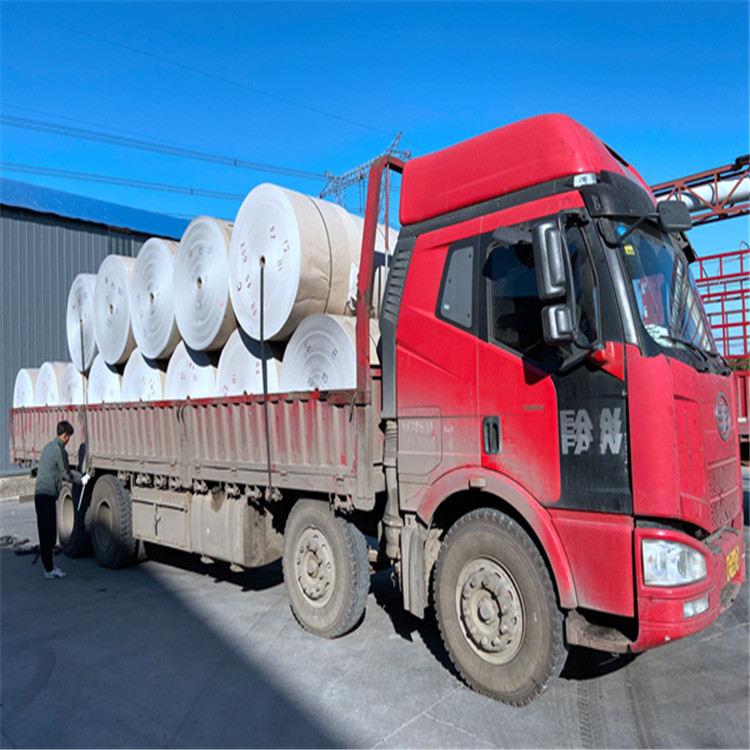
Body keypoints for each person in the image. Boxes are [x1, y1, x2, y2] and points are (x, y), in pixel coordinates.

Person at [34, 420, 90, 579]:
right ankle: (49, 570)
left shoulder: (49, 447)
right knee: (49, 533)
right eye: (69, 437)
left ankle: (49, 567)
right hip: (47, 496)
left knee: (45, 532)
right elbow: (66, 473)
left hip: (39, 495)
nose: (68, 440)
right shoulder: (59, 450)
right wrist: (82, 479)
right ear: (65, 435)